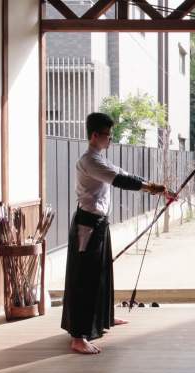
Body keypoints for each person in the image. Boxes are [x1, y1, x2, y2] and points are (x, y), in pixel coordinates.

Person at [61, 112, 175, 354]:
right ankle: (78, 336)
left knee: (101, 274)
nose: (110, 140)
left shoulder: (101, 158)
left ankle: (103, 319)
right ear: (94, 135)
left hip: (99, 223)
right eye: (107, 135)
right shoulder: (90, 161)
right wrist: (153, 188)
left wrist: (157, 189)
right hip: (87, 226)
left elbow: (128, 176)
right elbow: (120, 181)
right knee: (85, 278)